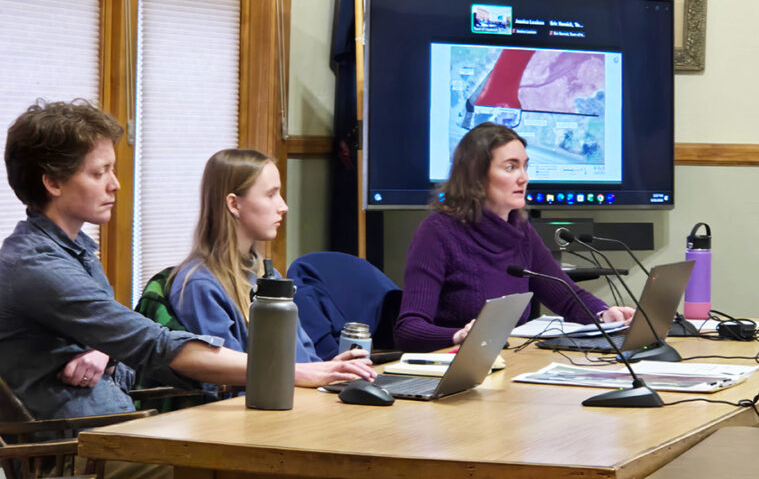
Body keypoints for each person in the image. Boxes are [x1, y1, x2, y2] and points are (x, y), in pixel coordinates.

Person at [0, 100, 373, 426]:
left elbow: (130, 352)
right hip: (81, 452)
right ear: (52, 183)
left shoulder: (76, 250)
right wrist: (296, 373)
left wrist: (107, 350)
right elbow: (155, 345)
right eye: (99, 173)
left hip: (119, 427)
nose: (114, 184)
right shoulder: (37, 266)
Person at [394, 122, 634, 352]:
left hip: (508, 362)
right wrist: (459, 336)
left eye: (525, 166)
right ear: (476, 176)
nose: (524, 178)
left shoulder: (519, 229)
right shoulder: (437, 232)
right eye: (511, 167)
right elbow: (408, 330)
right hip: (456, 368)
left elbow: (567, 298)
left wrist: (604, 315)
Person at [168, 148, 376, 386]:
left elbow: (301, 362)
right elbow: (228, 381)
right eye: (271, 195)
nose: (283, 206)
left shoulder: (268, 277)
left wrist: (334, 369)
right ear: (234, 204)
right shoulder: (199, 285)